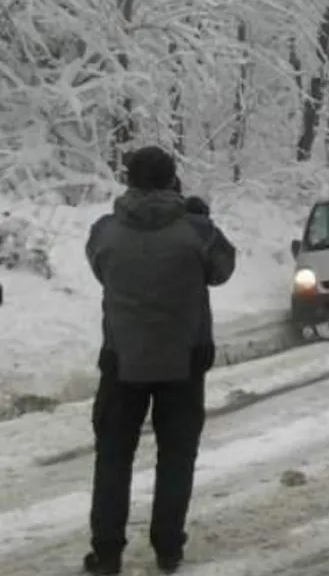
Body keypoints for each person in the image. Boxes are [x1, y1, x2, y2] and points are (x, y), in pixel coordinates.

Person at [83, 146, 236, 575]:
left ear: (129, 180)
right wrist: (203, 220)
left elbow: (100, 269)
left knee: (113, 457)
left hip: (121, 361)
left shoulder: (104, 232)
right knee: (176, 455)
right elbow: (223, 270)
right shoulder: (195, 231)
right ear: (173, 180)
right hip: (183, 362)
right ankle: (168, 547)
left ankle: (107, 551)